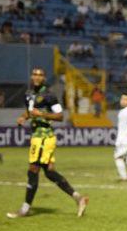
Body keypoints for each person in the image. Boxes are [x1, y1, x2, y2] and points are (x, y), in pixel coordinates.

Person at [7, 68, 89, 219]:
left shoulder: (49, 95)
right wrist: (23, 117)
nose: (37, 77)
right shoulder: (29, 94)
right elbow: (30, 111)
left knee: (33, 170)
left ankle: (24, 209)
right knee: (50, 172)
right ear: (31, 77)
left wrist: (42, 114)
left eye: (40, 75)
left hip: (44, 137)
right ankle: (79, 198)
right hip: (36, 136)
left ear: (44, 78)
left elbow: (60, 116)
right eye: (35, 74)